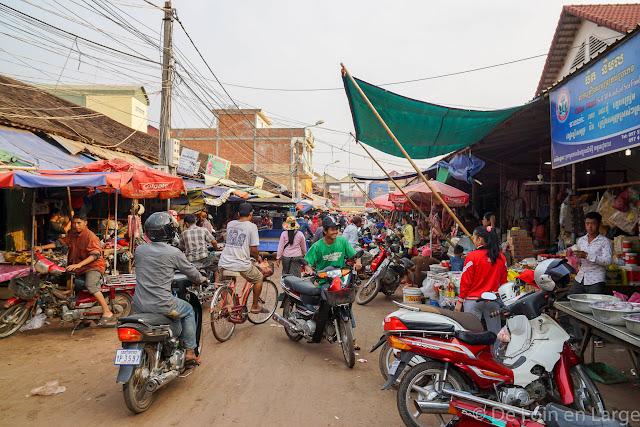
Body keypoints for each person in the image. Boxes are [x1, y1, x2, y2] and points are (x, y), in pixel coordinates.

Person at [132, 212, 206, 365]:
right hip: (163, 304)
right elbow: (192, 273)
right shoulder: (174, 252)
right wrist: (202, 279)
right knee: (188, 311)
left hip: (138, 304)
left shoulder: (139, 250)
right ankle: (190, 352)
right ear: (169, 231)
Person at [35, 213, 113, 326]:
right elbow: (59, 243)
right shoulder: (73, 235)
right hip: (80, 268)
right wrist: (41, 247)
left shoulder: (90, 236)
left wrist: (79, 265)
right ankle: (86, 320)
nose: (76, 225)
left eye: (79, 223)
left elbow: (95, 255)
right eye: (74, 223)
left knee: (91, 284)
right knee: (78, 291)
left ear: (85, 223)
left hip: (93, 267)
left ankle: (107, 311)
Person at [304, 216, 362, 343]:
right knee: (325, 305)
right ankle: (317, 334)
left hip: (340, 280)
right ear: (325, 231)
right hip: (325, 282)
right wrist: (308, 269)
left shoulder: (343, 242)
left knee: (347, 302)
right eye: (332, 229)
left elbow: (355, 255)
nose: (335, 232)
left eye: (336, 229)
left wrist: (358, 261)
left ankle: (350, 333)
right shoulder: (317, 246)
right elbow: (307, 262)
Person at [455, 226, 507, 337]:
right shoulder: (501, 257)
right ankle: (496, 353)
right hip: (493, 300)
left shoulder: (472, 257)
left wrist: (460, 301)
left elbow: (466, 281)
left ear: (480, 240)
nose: (473, 241)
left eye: (474, 238)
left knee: (471, 335)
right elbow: (503, 283)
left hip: (473, 301)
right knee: (496, 334)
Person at [569, 211, 612, 347]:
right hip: (581, 276)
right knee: (571, 300)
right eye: (587, 224)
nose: (589, 227)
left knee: (595, 307)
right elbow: (578, 261)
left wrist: (588, 255)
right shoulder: (581, 240)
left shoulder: (604, 242)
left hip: (596, 278)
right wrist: (572, 257)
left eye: (592, 224)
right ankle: (578, 335)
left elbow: (607, 261)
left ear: (598, 225)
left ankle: (597, 337)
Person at [218, 203, 267, 314]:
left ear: (238, 214)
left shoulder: (230, 224)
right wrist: (258, 258)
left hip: (224, 262)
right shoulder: (252, 226)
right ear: (251, 214)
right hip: (240, 263)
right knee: (259, 278)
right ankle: (255, 306)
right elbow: (254, 249)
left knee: (222, 282)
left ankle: (225, 305)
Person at [179, 214, 220, 279]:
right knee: (217, 264)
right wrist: (217, 247)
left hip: (190, 259)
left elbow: (181, 247)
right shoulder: (203, 230)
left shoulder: (183, 233)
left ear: (186, 224)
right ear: (195, 222)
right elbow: (214, 242)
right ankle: (216, 284)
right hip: (204, 257)